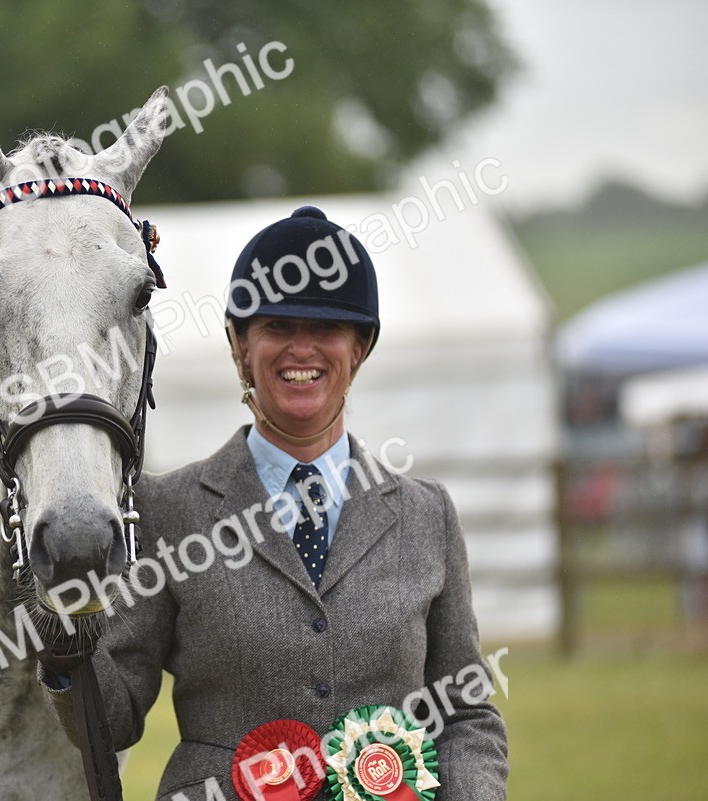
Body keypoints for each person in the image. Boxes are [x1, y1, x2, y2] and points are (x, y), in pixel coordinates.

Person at [40, 206, 509, 801]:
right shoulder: (167, 508)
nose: (301, 350)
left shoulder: (427, 515)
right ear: (239, 344)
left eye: (327, 329)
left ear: (360, 346)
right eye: (278, 327)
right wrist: (64, 633)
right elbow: (116, 716)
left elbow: (465, 713)